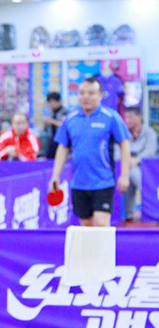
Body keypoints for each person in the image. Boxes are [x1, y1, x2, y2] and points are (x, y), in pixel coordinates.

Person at [50, 77, 131, 227]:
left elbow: (124, 144)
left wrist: (125, 175)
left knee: (101, 224)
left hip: (103, 181)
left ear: (100, 95)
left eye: (91, 93)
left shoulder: (111, 117)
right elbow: (63, 147)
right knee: (86, 226)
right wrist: (55, 176)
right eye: (82, 93)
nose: (86, 97)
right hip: (79, 183)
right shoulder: (70, 119)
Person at [122, 107, 157, 221]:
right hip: (126, 167)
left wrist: (136, 160)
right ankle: (129, 215)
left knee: (135, 175)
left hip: (147, 169)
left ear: (139, 117)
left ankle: (151, 213)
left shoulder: (149, 132)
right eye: (126, 117)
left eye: (130, 117)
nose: (127, 120)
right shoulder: (122, 132)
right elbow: (118, 151)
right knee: (128, 176)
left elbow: (151, 151)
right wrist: (127, 161)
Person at [44, 92, 67, 159]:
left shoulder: (64, 112)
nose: (52, 104)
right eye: (50, 102)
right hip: (51, 138)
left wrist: (53, 121)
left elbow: (64, 125)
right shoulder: (50, 112)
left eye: (54, 101)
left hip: (61, 140)